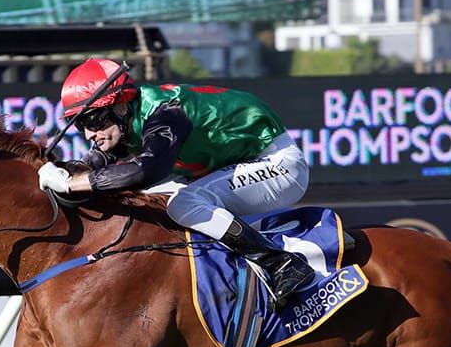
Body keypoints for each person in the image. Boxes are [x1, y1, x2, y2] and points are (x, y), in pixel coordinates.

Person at [37, 57, 314, 304]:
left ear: (120, 107)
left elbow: (146, 171)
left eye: (93, 121)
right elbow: (98, 161)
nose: (88, 134)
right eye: (81, 125)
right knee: (151, 199)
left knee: (184, 202)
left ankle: (281, 264)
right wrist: (64, 171)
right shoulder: (127, 117)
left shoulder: (166, 113)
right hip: (233, 164)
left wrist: (74, 183)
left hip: (278, 164)